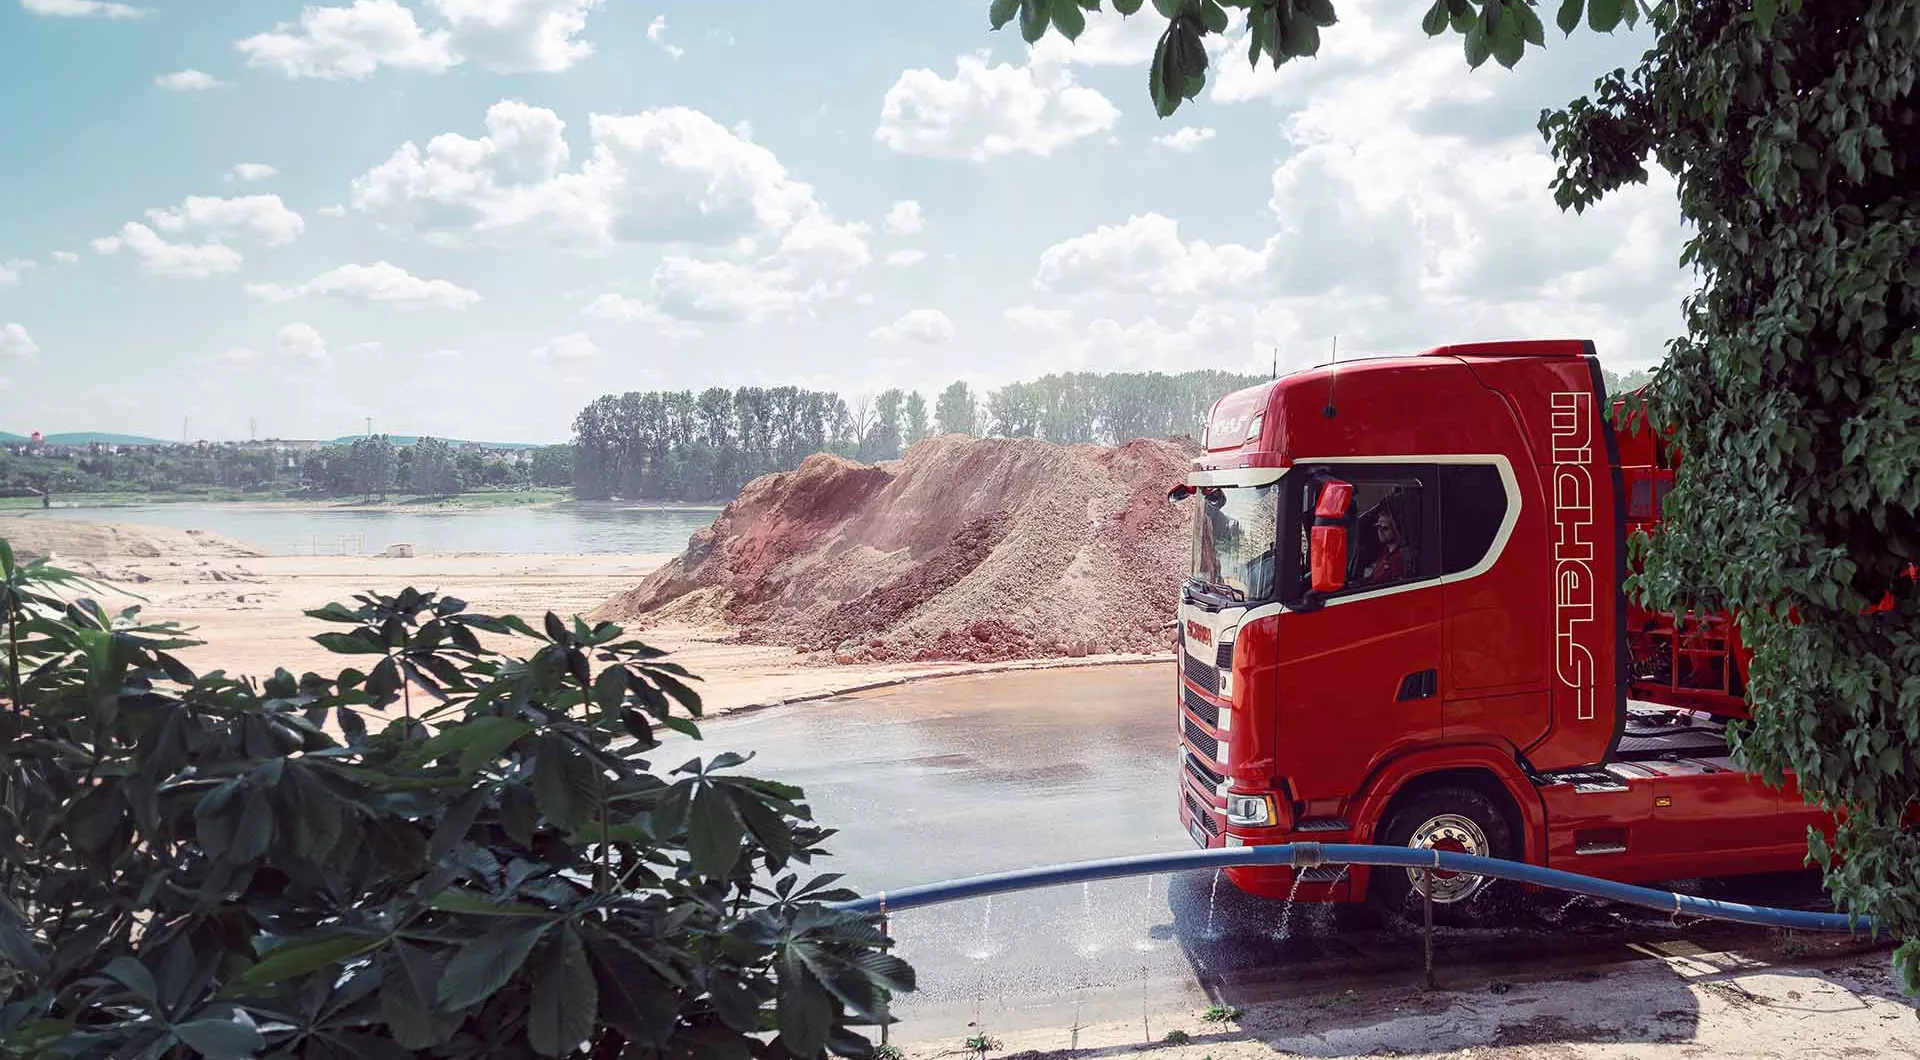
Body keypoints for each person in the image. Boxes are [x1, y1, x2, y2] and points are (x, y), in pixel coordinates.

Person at [1360, 498, 1411, 585]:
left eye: (1384, 528)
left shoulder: (1399, 557)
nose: (1380, 531)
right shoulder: (1384, 553)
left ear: (1396, 528)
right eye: (1378, 527)